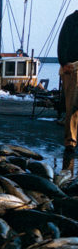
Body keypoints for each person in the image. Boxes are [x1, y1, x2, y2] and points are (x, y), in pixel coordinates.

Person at [57, 10, 78, 154]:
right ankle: (70, 142)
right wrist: (64, 63)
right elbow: (62, 42)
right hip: (73, 67)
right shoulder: (71, 20)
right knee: (72, 105)